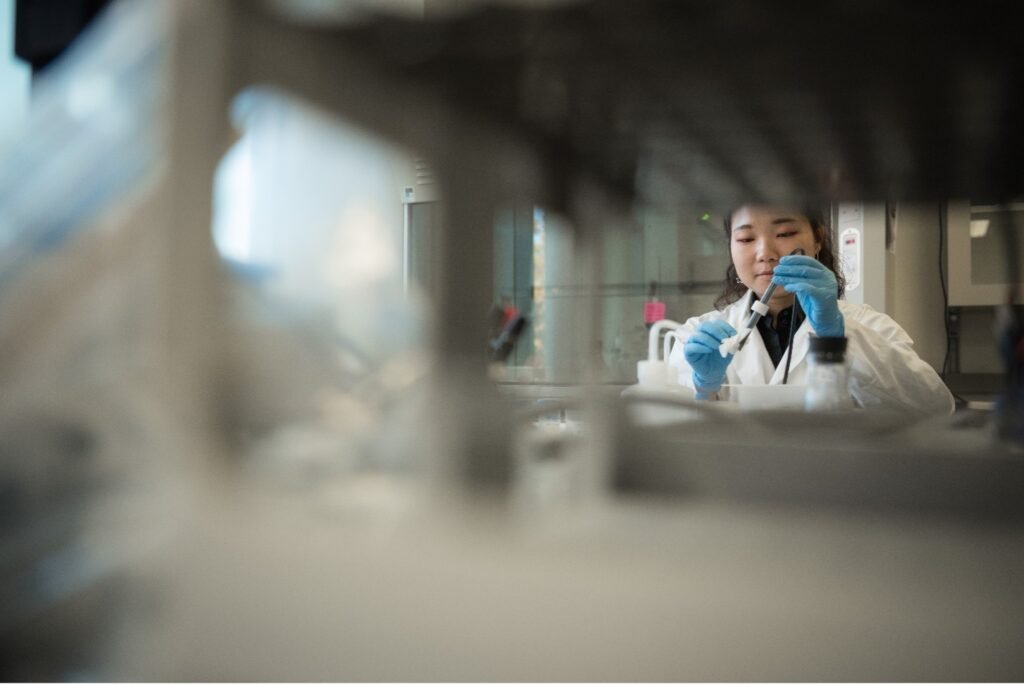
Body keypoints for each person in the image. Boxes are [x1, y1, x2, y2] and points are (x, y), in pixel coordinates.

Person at [667, 205, 955, 416]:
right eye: (745, 239)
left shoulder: (868, 325)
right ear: (731, 248)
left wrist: (838, 334)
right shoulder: (696, 336)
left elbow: (935, 407)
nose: (765, 253)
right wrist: (705, 389)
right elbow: (670, 436)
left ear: (817, 240)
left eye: (785, 232)